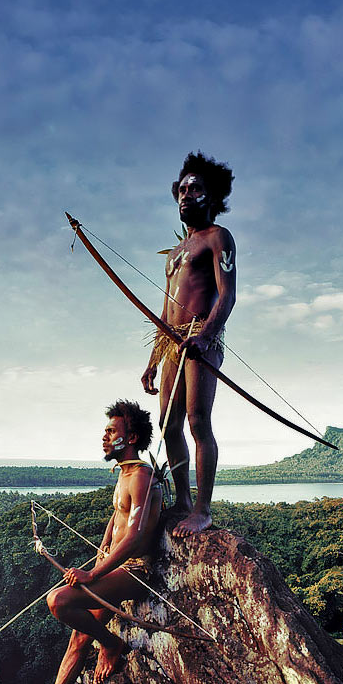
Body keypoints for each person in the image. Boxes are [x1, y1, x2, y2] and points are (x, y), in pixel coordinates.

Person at [13, 399, 162, 684]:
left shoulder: (141, 476)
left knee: (59, 600)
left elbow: (136, 536)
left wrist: (94, 573)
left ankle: (112, 644)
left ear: (132, 437)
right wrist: (104, 544)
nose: (105, 437)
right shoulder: (126, 474)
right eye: (105, 431)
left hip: (136, 570)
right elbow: (119, 516)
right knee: (79, 637)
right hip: (115, 566)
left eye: (112, 431)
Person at [141, 152, 236, 537]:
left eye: (194, 189)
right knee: (168, 423)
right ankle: (182, 499)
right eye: (181, 189)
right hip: (172, 343)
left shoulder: (218, 238)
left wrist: (206, 335)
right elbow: (165, 312)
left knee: (198, 421)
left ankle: (202, 509)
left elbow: (227, 296)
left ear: (211, 197)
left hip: (202, 339)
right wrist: (152, 360)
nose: (185, 195)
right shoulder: (176, 253)